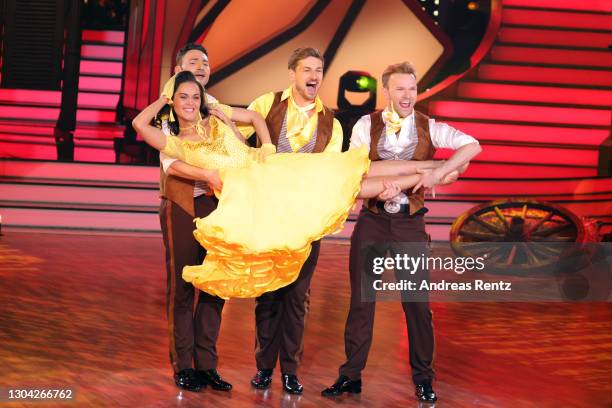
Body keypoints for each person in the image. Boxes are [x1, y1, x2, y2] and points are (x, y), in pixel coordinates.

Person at [132, 69, 459, 387]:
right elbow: (139, 124)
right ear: (172, 101)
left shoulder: (216, 118)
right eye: (182, 98)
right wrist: (165, 97)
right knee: (342, 182)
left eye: (194, 96)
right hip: (254, 191)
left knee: (339, 172)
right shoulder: (175, 142)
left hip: (270, 170)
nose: (189, 102)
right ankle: (428, 173)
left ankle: (430, 168)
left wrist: (266, 147)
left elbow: (256, 120)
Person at [321, 62, 481, 403]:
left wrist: (439, 174)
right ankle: (350, 376)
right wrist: (414, 174)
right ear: (387, 92)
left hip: (410, 224)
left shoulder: (429, 126)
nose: (407, 95)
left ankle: (424, 378)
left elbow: (471, 147)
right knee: (362, 302)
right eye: (400, 89)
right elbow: (357, 172)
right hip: (373, 222)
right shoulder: (367, 124)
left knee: (417, 306)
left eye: (412, 88)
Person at [156, 43, 231, 393]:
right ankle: (184, 364)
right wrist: (209, 172)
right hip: (183, 205)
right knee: (184, 286)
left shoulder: (215, 111)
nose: (200, 67)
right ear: (177, 70)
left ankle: (207, 364)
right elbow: (171, 163)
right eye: (192, 62)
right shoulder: (170, 112)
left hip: (217, 207)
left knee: (216, 285)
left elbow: (240, 150)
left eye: (205, 61)